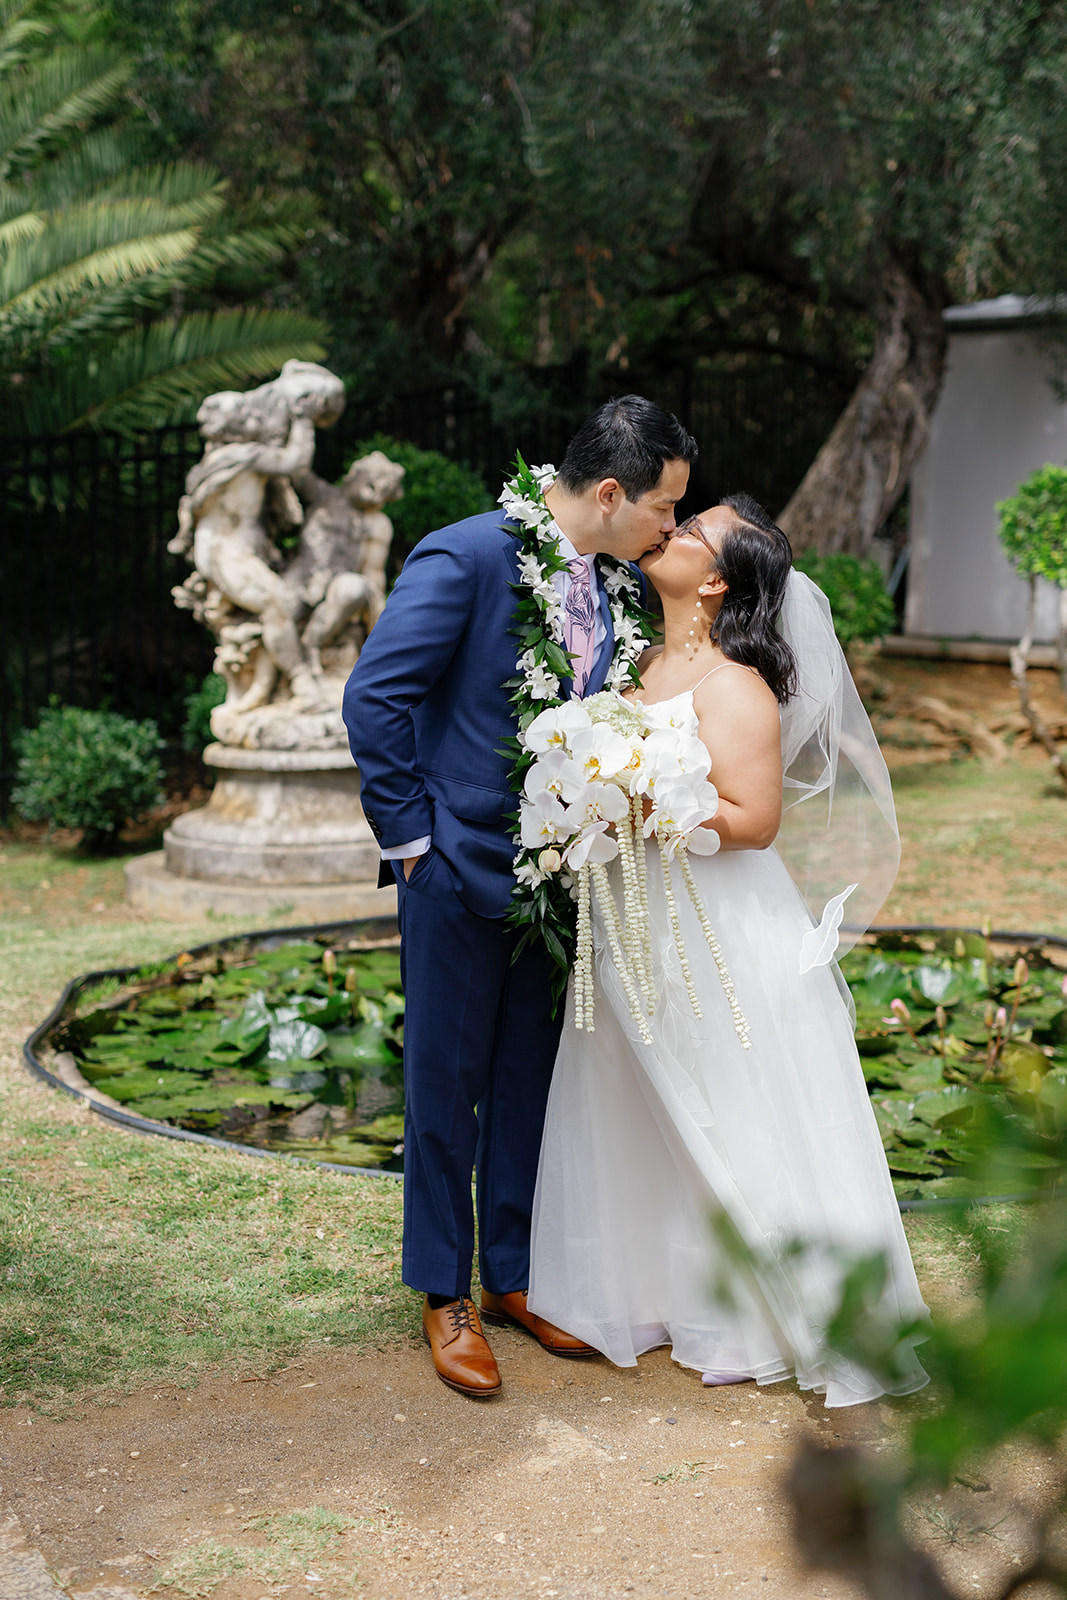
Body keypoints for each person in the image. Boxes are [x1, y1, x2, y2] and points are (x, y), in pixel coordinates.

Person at [527, 493, 930, 1408]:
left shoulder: (734, 684)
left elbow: (751, 822)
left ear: (712, 580)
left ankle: (776, 1308)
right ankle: (667, 1293)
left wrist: (639, 802)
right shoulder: (635, 665)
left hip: (719, 921)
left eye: (690, 531)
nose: (666, 532)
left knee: (738, 1100)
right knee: (640, 1097)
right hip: (637, 915)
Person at [342, 396, 699, 1397]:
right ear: (606, 492)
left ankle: (511, 1275)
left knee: (525, 1081)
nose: (671, 529)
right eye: (663, 509)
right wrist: (416, 844)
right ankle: (441, 1290)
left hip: (559, 876)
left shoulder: (617, 590)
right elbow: (376, 698)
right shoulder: (465, 558)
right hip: (453, 871)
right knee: (442, 1089)